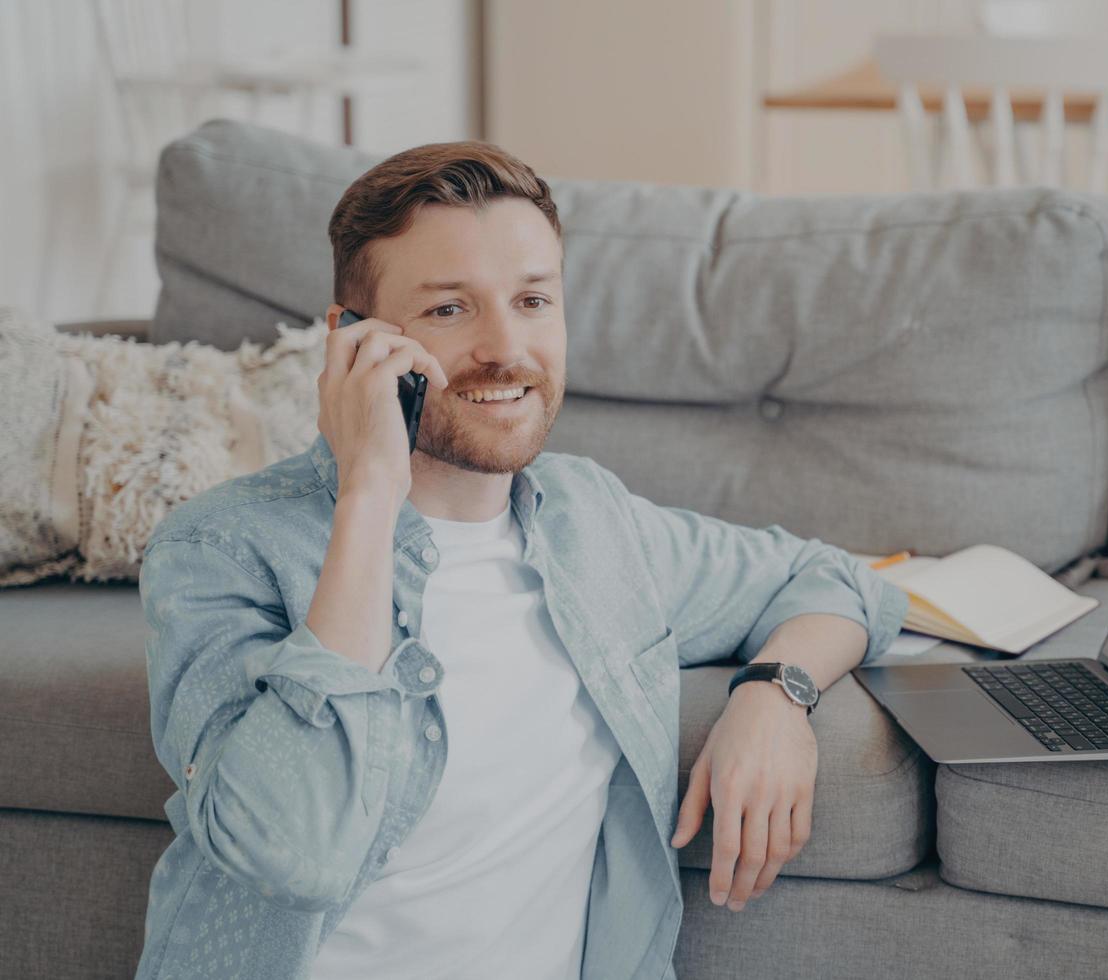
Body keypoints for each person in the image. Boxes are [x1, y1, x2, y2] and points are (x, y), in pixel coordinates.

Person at [132, 140, 909, 980]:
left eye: (532, 299)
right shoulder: (218, 552)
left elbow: (841, 582)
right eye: (449, 310)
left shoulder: (597, 523)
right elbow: (296, 854)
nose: (507, 347)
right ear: (353, 343)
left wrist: (775, 697)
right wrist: (368, 494)